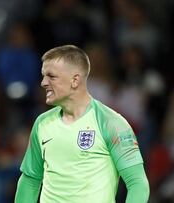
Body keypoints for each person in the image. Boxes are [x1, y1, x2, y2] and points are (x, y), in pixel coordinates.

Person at [14, 45, 149, 203]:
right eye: (43, 76)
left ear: (75, 80)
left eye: (51, 76)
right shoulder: (42, 123)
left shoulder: (111, 123)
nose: (43, 83)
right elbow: (30, 180)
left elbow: (138, 184)